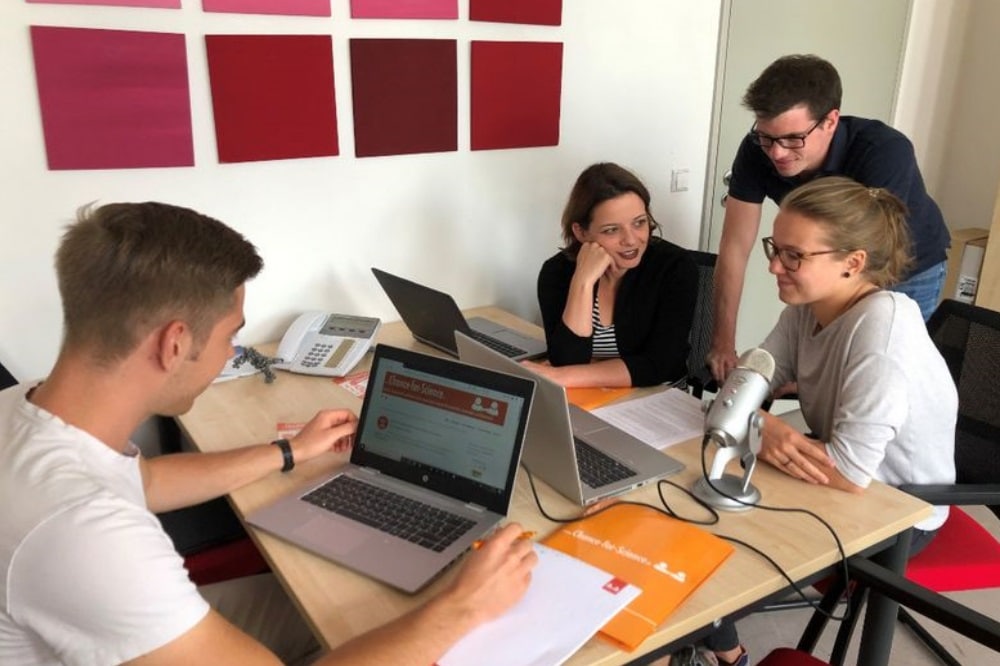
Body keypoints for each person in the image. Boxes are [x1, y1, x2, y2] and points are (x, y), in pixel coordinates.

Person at [0, 202, 538, 665]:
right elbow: (94, 526)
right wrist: (465, 606)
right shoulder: (84, 532)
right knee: (393, 628)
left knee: (347, 614)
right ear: (174, 343)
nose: (233, 354)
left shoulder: (21, 408)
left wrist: (289, 451)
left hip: (85, 628)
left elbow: (147, 480)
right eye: (231, 335)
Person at [708, 53, 951, 383]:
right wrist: (723, 342)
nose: (777, 152)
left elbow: (865, 269)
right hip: (824, 264)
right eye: (767, 137)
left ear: (830, 121)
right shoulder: (756, 150)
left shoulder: (883, 151)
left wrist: (814, 374)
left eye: (793, 139)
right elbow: (735, 247)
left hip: (902, 266)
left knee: (874, 376)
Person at [530, 162, 698, 388]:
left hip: (656, 396)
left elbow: (659, 365)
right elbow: (566, 360)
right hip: (592, 396)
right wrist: (583, 282)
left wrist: (564, 377)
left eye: (639, 223)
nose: (631, 239)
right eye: (612, 230)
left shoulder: (675, 267)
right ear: (581, 232)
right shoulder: (557, 273)